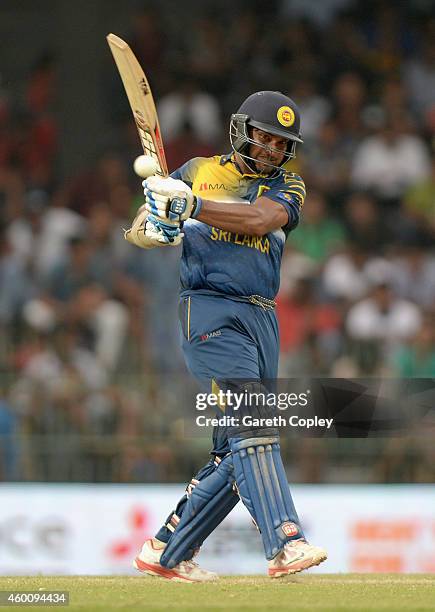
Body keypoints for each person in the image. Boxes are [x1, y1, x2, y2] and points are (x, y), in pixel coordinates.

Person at [126, 91, 327, 581]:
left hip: (262, 316)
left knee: (235, 450)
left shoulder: (290, 187)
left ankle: (165, 552)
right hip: (210, 308)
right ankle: (285, 541)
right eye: (265, 138)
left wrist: (193, 206)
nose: (272, 150)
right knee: (254, 424)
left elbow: (260, 219)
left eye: (282, 144)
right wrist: (157, 228)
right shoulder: (197, 169)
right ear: (242, 131)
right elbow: (138, 227)